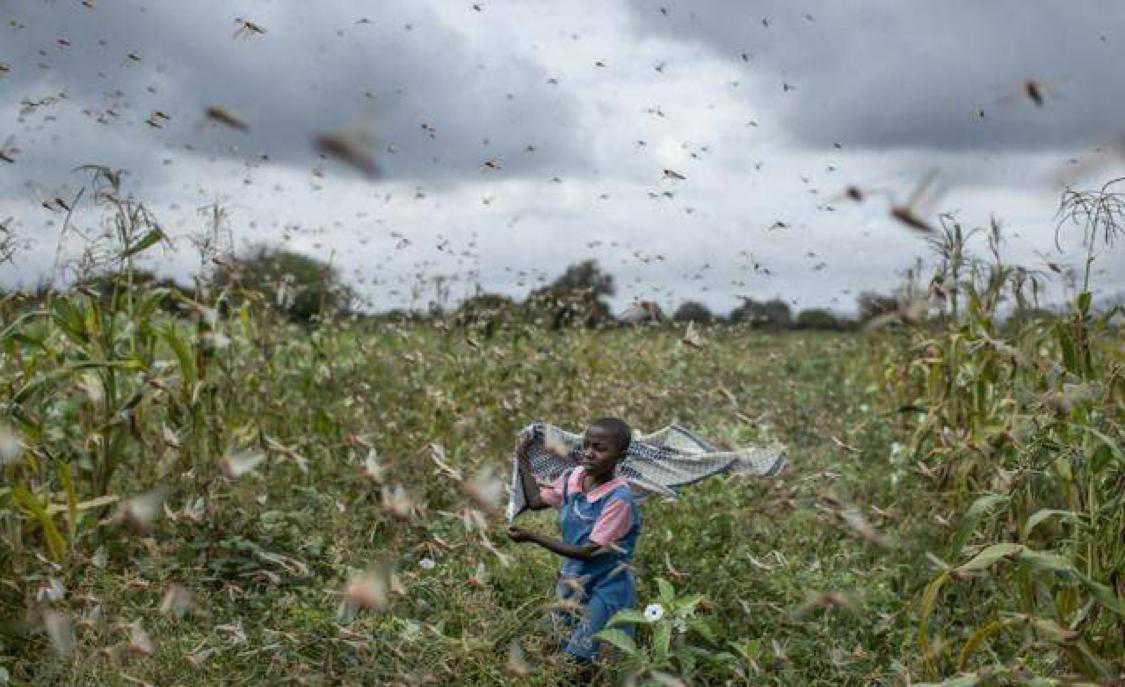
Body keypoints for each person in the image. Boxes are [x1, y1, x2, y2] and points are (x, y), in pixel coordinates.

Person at [507, 417, 641, 684]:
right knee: (554, 644)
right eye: (587, 445)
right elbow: (535, 502)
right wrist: (523, 458)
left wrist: (532, 536)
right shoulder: (575, 477)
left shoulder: (619, 499)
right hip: (573, 580)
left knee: (584, 657)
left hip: (607, 587)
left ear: (620, 456)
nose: (589, 453)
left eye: (600, 448)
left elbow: (588, 551)